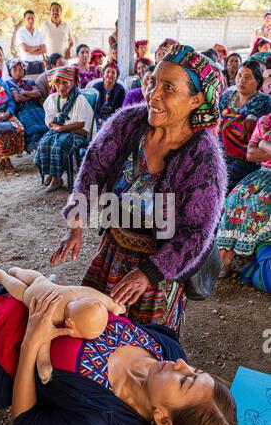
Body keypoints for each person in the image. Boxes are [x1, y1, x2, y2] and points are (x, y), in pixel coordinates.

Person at [51, 45, 227, 333]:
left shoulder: (203, 159)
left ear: (196, 100)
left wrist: (147, 275)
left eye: (168, 87)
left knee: (141, 353)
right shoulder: (128, 123)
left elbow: (196, 234)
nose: (153, 94)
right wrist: (77, 222)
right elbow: (93, 168)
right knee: (87, 329)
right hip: (112, 250)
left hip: (156, 274)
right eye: (153, 81)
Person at [0, 276, 238, 425]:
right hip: (23, 292)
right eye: (195, 371)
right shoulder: (168, 351)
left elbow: (25, 421)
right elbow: (115, 316)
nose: (182, 364)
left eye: (184, 381)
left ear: (163, 420)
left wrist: (32, 341)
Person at [0, 266, 125, 383]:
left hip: (42, 281)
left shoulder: (78, 293)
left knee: (34, 276)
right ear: (69, 323)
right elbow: (43, 341)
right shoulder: (52, 315)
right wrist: (44, 365)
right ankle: (2, 277)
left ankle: (16, 271)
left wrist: (113, 306)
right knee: (20, 291)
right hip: (30, 295)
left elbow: (97, 296)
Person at [217, 113, 271, 281]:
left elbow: (256, 149)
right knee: (235, 197)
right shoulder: (265, 121)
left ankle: (249, 261)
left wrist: (262, 143)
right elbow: (250, 154)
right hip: (263, 174)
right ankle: (224, 259)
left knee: (261, 203)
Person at [34, 66, 95, 192]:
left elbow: (81, 124)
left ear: (71, 83)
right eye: (58, 83)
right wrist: (54, 126)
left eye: (65, 82)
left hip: (80, 132)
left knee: (59, 144)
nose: (61, 86)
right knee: (44, 143)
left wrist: (62, 128)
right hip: (62, 130)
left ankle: (57, 178)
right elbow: (49, 120)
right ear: (54, 85)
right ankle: (51, 173)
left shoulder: (79, 99)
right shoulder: (52, 99)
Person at [219, 60, 271, 193]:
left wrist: (229, 123)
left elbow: (248, 132)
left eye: (247, 77)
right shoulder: (227, 96)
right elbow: (216, 124)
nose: (241, 80)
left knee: (223, 183)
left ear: (258, 81)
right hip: (221, 153)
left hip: (243, 159)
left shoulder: (263, 101)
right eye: (239, 75)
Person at [6, 59, 48, 152]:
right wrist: (31, 95)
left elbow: (38, 94)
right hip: (22, 110)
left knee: (45, 121)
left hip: (36, 107)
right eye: (15, 70)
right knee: (32, 126)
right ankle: (37, 147)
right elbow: (17, 98)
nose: (18, 72)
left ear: (24, 71)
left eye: (20, 70)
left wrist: (23, 92)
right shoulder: (9, 83)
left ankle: (47, 144)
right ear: (10, 71)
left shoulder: (29, 81)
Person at [93, 61, 125, 131]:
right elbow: (92, 108)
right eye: (108, 72)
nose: (110, 74)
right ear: (103, 74)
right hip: (98, 119)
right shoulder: (96, 87)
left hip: (113, 120)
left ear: (116, 77)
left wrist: (111, 121)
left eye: (113, 73)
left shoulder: (120, 89)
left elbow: (121, 110)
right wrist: (99, 119)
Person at [16, 10, 46, 75]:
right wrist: (38, 47)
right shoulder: (20, 33)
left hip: (40, 65)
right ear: (24, 20)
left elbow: (44, 49)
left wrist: (31, 51)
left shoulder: (39, 33)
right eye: (28, 18)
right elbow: (25, 48)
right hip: (27, 65)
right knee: (29, 85)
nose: (31, 21)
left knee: (41, 84)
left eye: (32, 18)